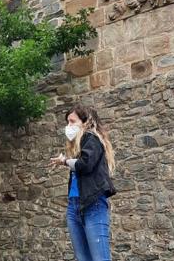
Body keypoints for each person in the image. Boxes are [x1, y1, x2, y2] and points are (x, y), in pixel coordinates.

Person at [51, 105, 116, 261]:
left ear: (85, 122)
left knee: (99, 258)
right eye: (67, 122)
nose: (68, 126)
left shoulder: (92, 138)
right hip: (74, 206)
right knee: (82, 258)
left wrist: (65, 161)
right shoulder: (79, 146)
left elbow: (85, 165)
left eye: (72, 121)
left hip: (93, 204)